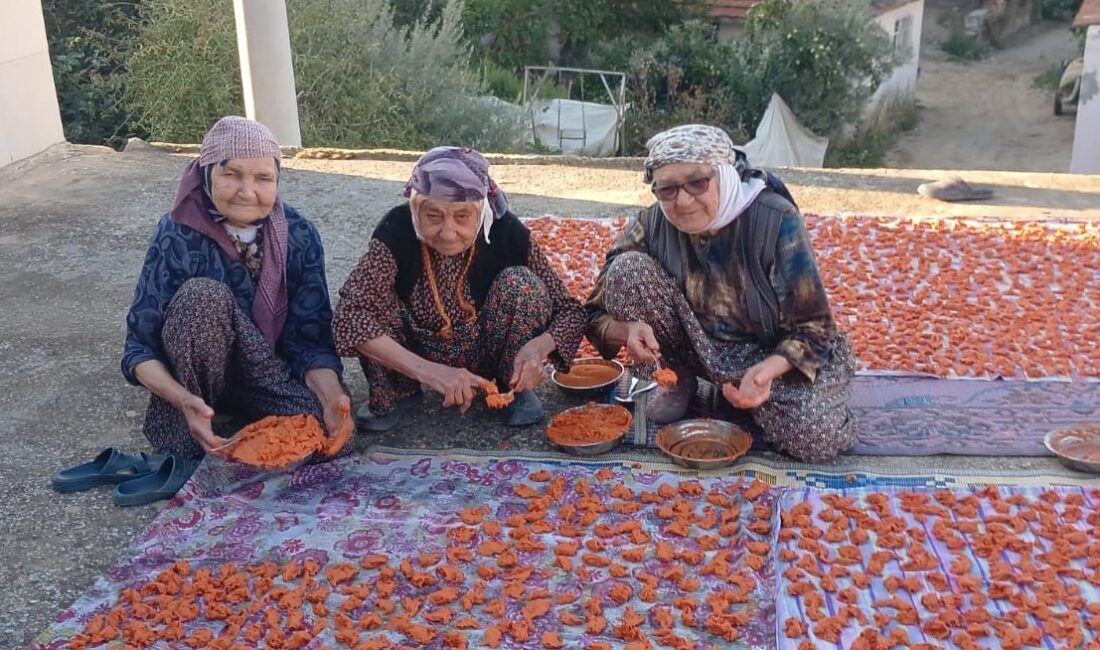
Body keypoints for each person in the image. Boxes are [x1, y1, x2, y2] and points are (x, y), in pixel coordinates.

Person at [584, 124, 855, 462]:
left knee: (815, 437)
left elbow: (815, 328)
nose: (683, 201)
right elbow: (592, 312)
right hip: (700, 349)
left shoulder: (774, 220)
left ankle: (749, 398)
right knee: (627, 270)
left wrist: (767, 372)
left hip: (768, 354)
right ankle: (678, 380)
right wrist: (627, 331)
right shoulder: (652, 224)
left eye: (698, 182)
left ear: (726, 175)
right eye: (667, 189)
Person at [122, 116, 348, 486]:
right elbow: (138, 350)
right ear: (206, 173)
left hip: (266, 373)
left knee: (327, 436)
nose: (247, 191)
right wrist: (182, 400)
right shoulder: (177, 234)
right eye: (232, 175)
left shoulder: (300, 235)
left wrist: (332, 398)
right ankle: (199, 420)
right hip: (193, 383)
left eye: (263, 178)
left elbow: (311, 341)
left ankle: (246, 417)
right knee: (203, 298)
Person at [332, 146, 585, 430]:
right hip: (414, 347)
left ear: (481, 212)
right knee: (371, 298)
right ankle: (396, 391)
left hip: (487, 347)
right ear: (416, 210)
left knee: (522, 285)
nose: (448, 232)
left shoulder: (505, 232)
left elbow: (571, 311)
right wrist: (429, 372)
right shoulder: (397, 230)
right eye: (433, 216)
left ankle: (511, 387)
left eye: (462, 216)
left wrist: (538, 349)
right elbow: (348, 317)